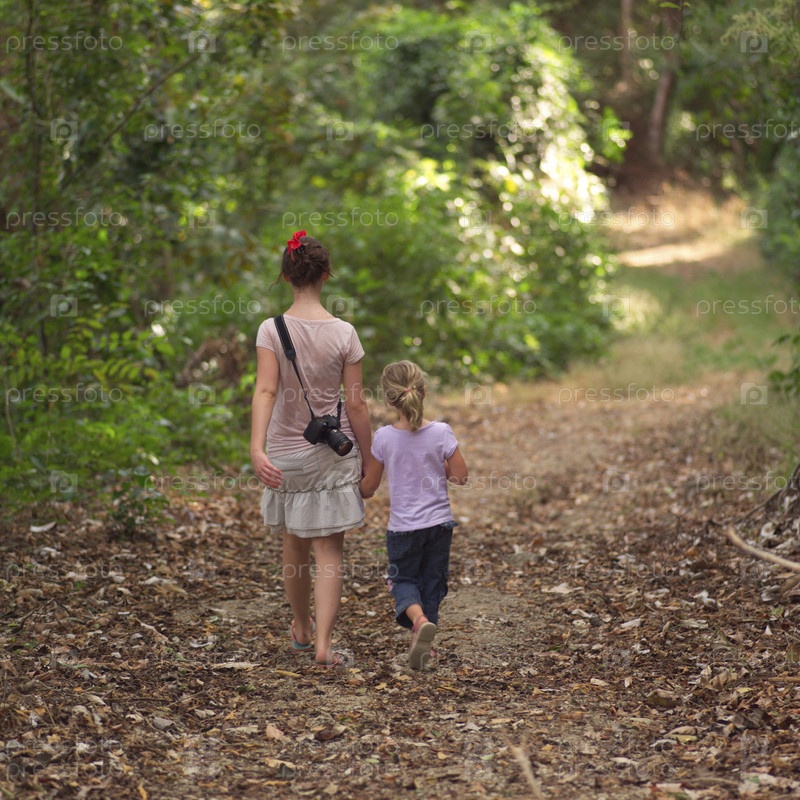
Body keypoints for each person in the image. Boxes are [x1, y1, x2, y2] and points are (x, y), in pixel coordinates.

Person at [250, 231, 372, 667]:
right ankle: (323, 644)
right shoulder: (345, 333)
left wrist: (257, 448)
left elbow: (266, 390)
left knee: (294, 544)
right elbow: (355, 404)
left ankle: (301, 628)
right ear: (325, 275)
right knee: (329, 551)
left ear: (285, 276)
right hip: (335, 451)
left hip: (286, 452)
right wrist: (371, 458)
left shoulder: (271, 329)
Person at [359, 360, 468, 669]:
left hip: (403, 528)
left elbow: (369, 487)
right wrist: (438, 463)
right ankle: (425, 646)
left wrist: (356, 485)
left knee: (403, 578)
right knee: (432, 581)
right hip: (439, 525)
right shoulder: (441, 432)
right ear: (424, 392)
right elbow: (460, 476)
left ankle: (418, 622)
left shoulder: (383, 437)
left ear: (389, 399)